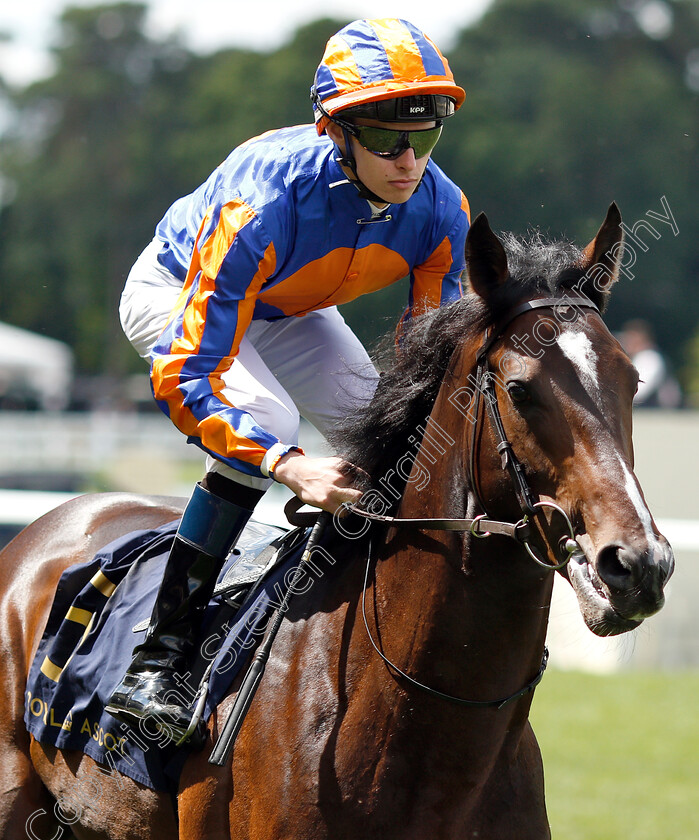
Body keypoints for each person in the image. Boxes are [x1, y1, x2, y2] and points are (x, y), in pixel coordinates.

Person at [106, 18, 470, 741]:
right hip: (183, 293)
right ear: (335, 131)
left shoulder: (440, 210)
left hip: (292, 308)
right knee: (267, 419)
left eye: (424, 137)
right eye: (387, 138)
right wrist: (288, 465)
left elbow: (429, 365)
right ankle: (162, 655)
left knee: (396, 440)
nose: (408, 161)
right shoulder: (259, 204)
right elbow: (192, 373)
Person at [619, 319, 682, 408]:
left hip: (654, 415)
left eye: (629, 338)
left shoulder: (649, 358)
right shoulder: (640, 357)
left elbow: (639, 392)